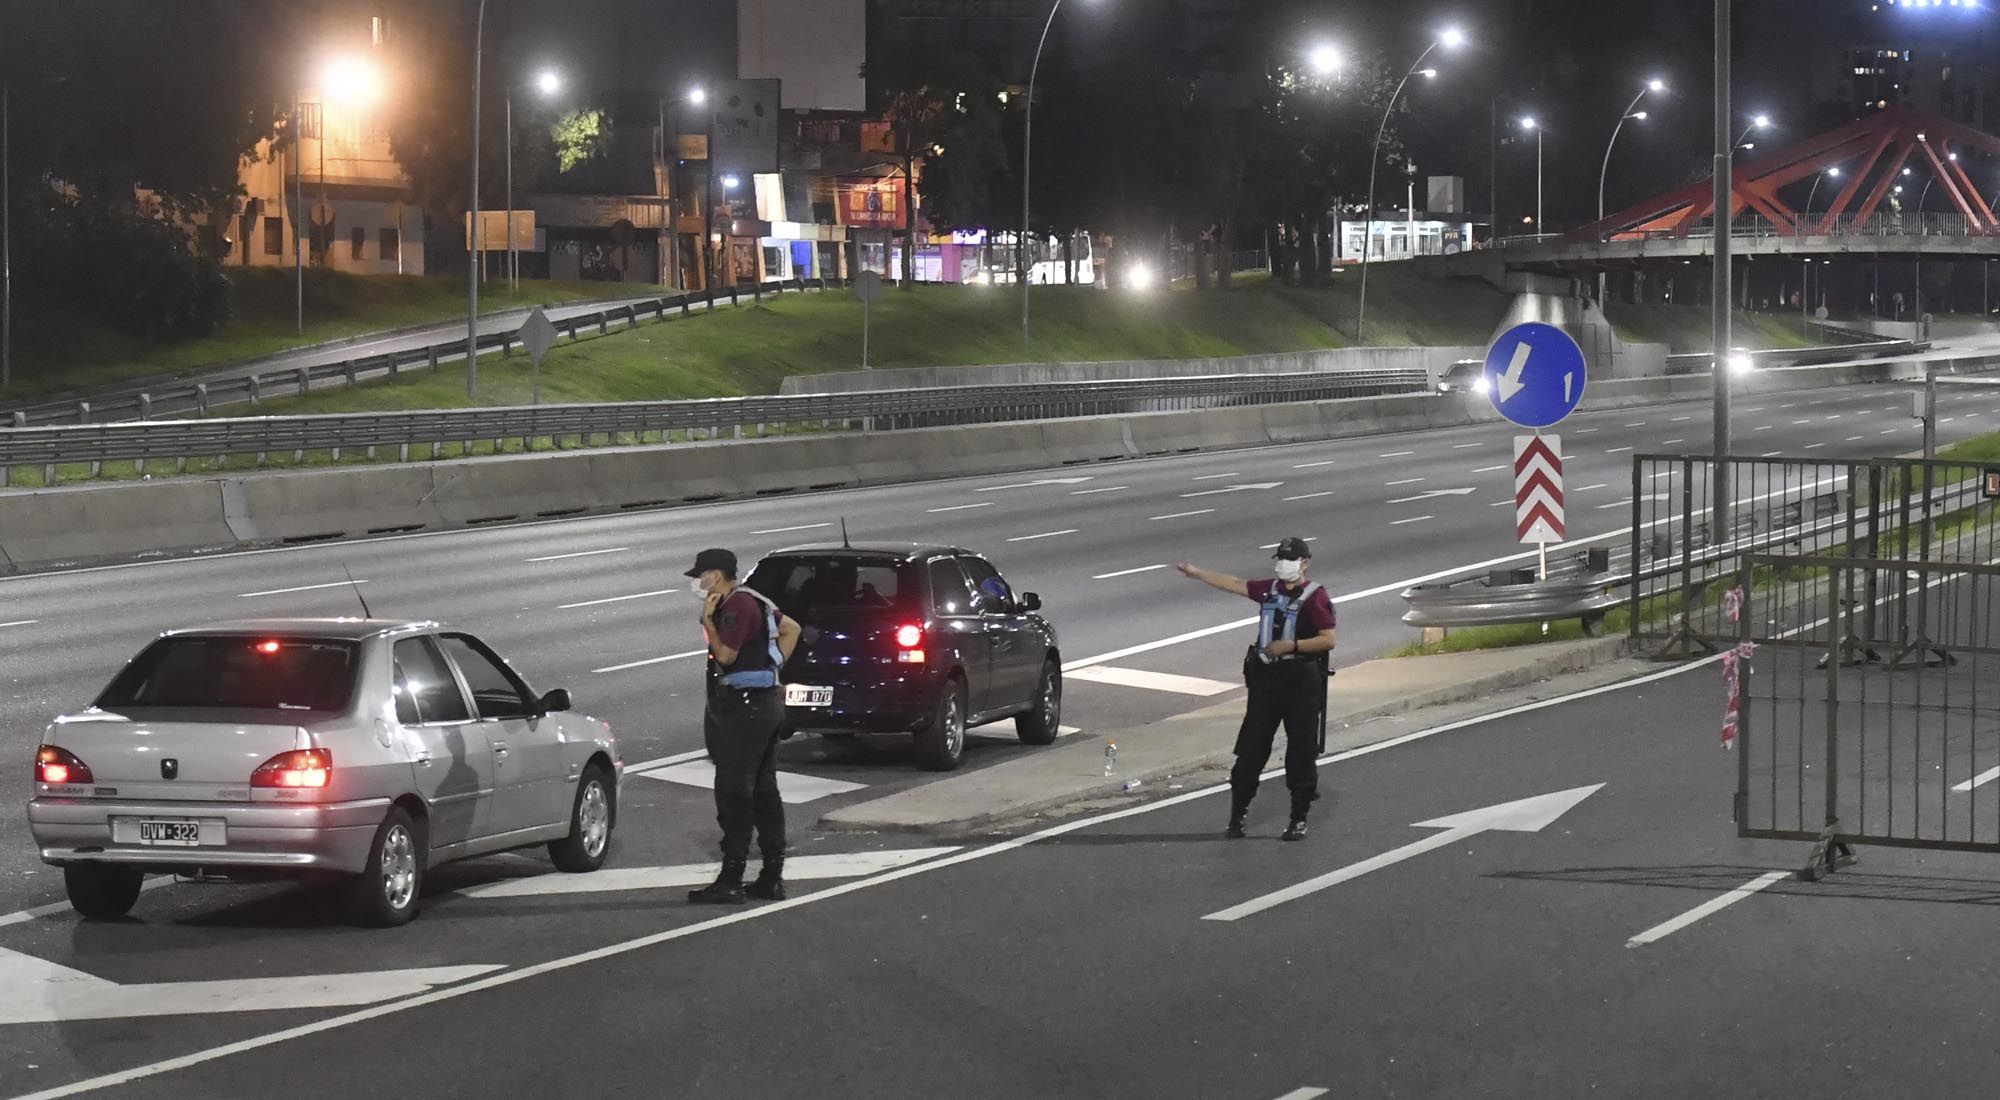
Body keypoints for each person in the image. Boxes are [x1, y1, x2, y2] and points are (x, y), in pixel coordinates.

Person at [1178, 537, 1336, 841]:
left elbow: (1328, 639)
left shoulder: (1315, 597)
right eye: (1280, 558)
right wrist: (1197, 572)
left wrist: (1292, 645)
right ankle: (1237, 815)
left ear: (1305, 563)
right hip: (1267, 681)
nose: (1283, 565)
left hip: (1301, 680)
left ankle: (1298, 818)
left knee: (1301, 751)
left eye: (1289, 559)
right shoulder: (1269, 590)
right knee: (1251, 749)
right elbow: (1234, 583)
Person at [684, 548, 802, 904]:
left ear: (715, 575)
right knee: (764, 792)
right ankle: (770, 877)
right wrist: (772, 663)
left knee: (734, 791)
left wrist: (708, 620)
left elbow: (726, 656)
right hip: (764, 706)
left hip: (748, 709)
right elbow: (791, 628)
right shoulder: (755, 600)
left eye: (700, 576)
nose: (698, 584)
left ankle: (732, 878)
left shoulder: (735, 606)